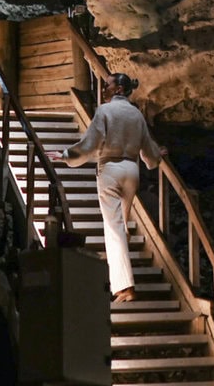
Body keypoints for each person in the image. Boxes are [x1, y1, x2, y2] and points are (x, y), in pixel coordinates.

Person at [55, 73, 165, 304]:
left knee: (113, 227)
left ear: (118, 90)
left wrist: (66, 155)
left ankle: (124, 287)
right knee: (121, 224)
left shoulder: (105, 111)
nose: (103, 89)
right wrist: (156, 157)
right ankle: (123, 262)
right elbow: (150, 152)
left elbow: (89, 144)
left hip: (111, 169)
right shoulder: (136, 114)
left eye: (107, 85)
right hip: (132, 170)